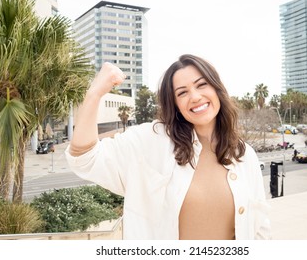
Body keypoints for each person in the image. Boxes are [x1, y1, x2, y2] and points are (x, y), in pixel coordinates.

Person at [65, 54, 271, 240]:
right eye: (182, 93)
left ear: (217, 89)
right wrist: (94, 94)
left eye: (202, 85)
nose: (195, 97)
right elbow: (85, 158)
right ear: (175, 105)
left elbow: (260, 228)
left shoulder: (244, 154)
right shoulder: (150, 140)